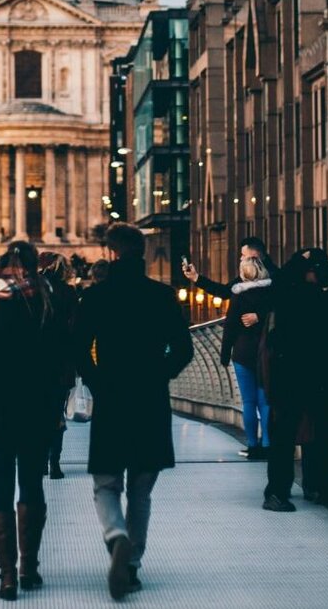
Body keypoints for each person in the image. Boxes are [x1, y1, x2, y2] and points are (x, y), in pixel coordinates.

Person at [73, 223, 194, 600]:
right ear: (141, 253)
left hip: (112, 399)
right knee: (141, 490)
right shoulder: (161, 295)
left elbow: (78, 348)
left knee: (106, 483)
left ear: (111, 254)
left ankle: (116, 536)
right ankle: (132, 566)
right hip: (150, 400)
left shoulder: (96, 296)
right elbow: (184, 349)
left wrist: (97, 381)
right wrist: (160, 373)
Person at [0, 243, 69, 600]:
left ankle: (7, 576)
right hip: (35, 409)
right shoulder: (46, 301)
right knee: (32, 486)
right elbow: (62, 355)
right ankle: (29, 568)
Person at [261, 247, 328, 512]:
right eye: (314, 270)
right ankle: (277, 492)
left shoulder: (320, 292)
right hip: (291, 372)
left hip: (320, 373)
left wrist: (324, 284)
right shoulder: (286, 289)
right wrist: (301, 265)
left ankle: (321, 486)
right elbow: (280, 288)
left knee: (324, 432)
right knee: (285, 434)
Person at [185, 250, 276, 458]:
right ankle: (268, 445)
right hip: (266, 352)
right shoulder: (271, 294)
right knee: (265, 401)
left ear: (243, 273)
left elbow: (230, 327)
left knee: (248, 402)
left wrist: (225, 355)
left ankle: (252, 445)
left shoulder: (238, 295)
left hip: (243, 353)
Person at [38, 250, 80, 479]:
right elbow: (76, 329)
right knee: (56, 413)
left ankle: (39, 460)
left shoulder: (30, 291)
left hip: (34, 365)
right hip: (61, 364)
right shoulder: (68, 292)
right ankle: (54, 462)